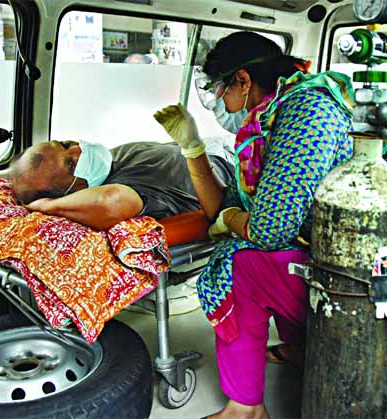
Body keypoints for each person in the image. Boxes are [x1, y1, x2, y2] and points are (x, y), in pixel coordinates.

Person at [154, 31, 355, 419]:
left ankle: (244, 410)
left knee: (239, 262)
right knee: (252, 247)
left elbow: (268, 230)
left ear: (243, 81)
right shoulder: (267, 123)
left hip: (342, 275)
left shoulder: (307, 111)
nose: (219, 103)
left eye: (219, 91)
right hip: (315, 257)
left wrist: (232, 223)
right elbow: (220, 210)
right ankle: (301, 347)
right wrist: (192, 148)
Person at [8, 139, 234, 230]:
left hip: (211, 147)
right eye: (70, 164)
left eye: (64, 143)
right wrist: (46, 206)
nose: (77, 149)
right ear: (68, 194)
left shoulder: (105, 163)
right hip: (232, 171)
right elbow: (108, 202)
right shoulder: (122, 190)